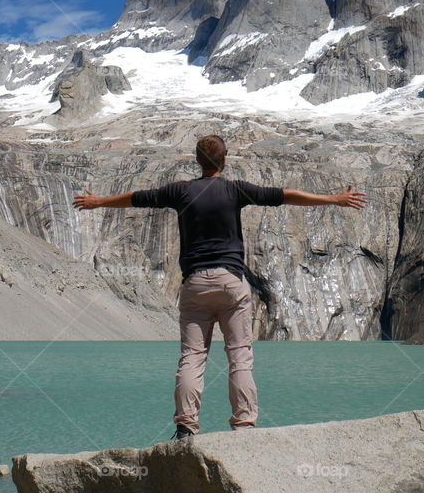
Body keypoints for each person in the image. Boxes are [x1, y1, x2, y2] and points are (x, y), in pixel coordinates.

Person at [72, 134, 365, 439]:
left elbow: (137, 197)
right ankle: (244, 426)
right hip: (230, 281)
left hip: (195, 283)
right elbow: (284, 195)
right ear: (225, 158)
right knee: (239, 355)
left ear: (196, 160)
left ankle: (186, 426)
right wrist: (333, 199)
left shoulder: (180, 191)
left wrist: (98, 202)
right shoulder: (235, 190)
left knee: (192, 355)